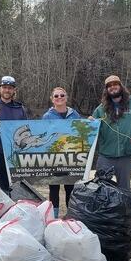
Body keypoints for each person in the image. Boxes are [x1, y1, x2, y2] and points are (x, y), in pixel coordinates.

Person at [91, 74, 131, 192]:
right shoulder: (100, 109)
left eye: (115, 84)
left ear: (121, 86)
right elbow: (92, 132)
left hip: (126, 156)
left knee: (125, 190)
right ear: (106, 90)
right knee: (101, 189)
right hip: (105, 156)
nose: (113, 87)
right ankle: (106, 211)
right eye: (109, 86)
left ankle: (125, 211)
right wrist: (90, 123)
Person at [0, 75, 30, 193]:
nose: (7, 90)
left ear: (14, 90)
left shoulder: (20, 109)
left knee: (13, 185)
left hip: (14, 153)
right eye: (4, 87)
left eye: (10, 88)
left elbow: (26, 131)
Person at [42, 86, 81, 217]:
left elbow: (82, 132)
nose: (59, 98)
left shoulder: (74, 114)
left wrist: (91, 123)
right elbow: (43, 135)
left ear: (66, 98)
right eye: (56, 96)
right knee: (54, 188)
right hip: (53, 157)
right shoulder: (47, 116)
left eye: (62, 95)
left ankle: (71, 215)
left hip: (71, 156)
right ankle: (53, 216)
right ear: (52, 99)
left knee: (70, 187)